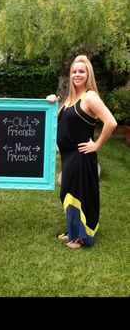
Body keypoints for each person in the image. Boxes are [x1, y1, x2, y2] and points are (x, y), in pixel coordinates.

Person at [47, 55, 117, 249]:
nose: (77, 75)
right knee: (68, 192)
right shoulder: (71, 98)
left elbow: (111, 122)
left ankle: (81, 237)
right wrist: (52, 102)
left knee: (81, 195)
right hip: (69, 156)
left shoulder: (90, 97)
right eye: (74, 71)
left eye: (81, 71)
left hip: (81, 156)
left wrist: (96, 144)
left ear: (88, 74)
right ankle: (72, 230)